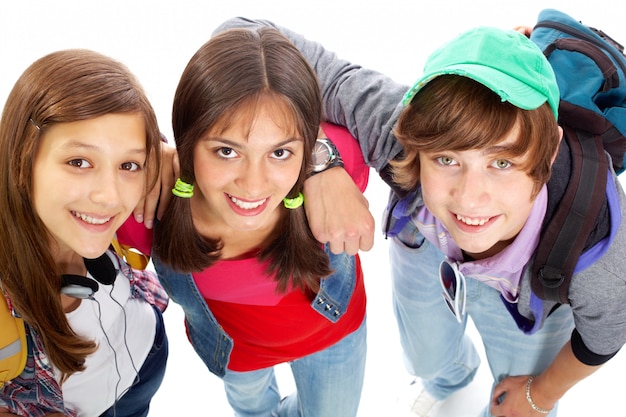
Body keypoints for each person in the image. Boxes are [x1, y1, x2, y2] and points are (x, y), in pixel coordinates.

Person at [215, 18, 626, 417]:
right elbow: (240, 33)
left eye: (501, 162)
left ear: (549, 151)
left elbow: (606, 335)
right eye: (446, 159)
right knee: (427, 359)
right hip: (428, 246)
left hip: (536, 287)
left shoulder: (596, 240)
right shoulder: (397, 129)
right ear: (414, 139)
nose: (469, 198)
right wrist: (320, 162)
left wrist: (538, 396)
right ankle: (448, 383)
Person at [118, 27, 369, 417]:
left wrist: (328, 163)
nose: (253, 185)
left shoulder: (337, 169)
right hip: (236, 356)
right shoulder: (148, 211)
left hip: (331, 340)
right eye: (226, 151)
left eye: (280, 153)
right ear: (186, 143)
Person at [0, 49, 169, 417]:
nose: (110, 196)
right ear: (21, 158)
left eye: (129, 164)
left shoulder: (143, 194)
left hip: (144, 361)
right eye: (79, 162)